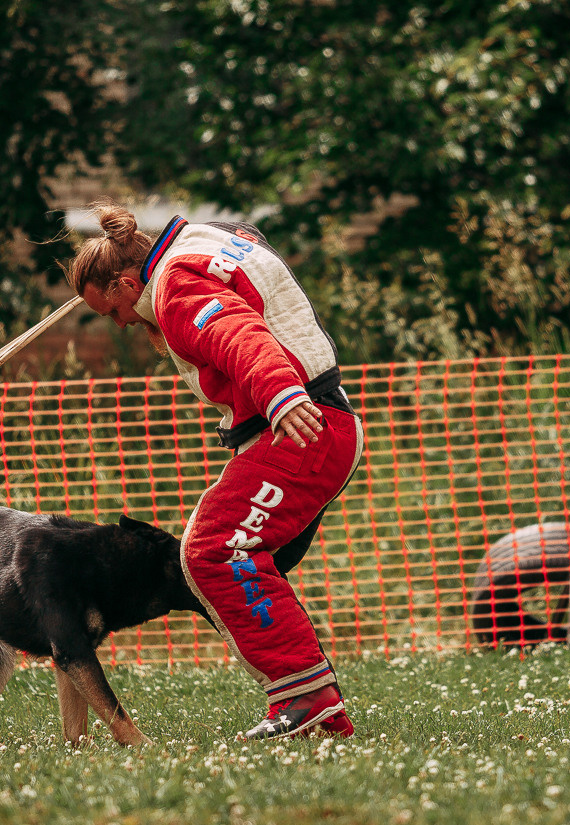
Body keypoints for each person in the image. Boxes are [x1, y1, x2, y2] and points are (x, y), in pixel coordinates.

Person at [65, 201, 364, 740]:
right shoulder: (201, 243)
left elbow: (238, 333)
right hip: (313, 422)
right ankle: (320, 713)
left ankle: (306, 694)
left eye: (114, 311)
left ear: (131, 284)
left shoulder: (176, 286)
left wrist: (279, 393)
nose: (125, 323)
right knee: (255, 560)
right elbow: (244, 238)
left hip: (298, 423)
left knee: (215, 549)